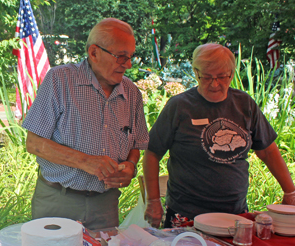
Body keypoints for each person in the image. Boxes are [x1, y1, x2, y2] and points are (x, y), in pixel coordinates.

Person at [143, 43, 295, 228]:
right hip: (186, 214)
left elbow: (268, 152)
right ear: (196, 73)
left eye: (222, 76)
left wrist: (290, 192)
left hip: (235, 212)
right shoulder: (179, 106)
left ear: (231, 73)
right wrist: (152, 201)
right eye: (207, 77)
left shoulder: (244, 104)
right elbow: (152, 154)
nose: (215, 84)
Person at [23, 18, 149, 230]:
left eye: (130, 57)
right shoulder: (60, 80)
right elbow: (34, 144)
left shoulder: (132, 94)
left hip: (105, 205)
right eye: (121, 57)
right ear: (94, 53)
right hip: (58, 201)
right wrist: (86, 162)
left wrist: (130, 165)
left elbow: (136, 143)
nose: (127, 65)